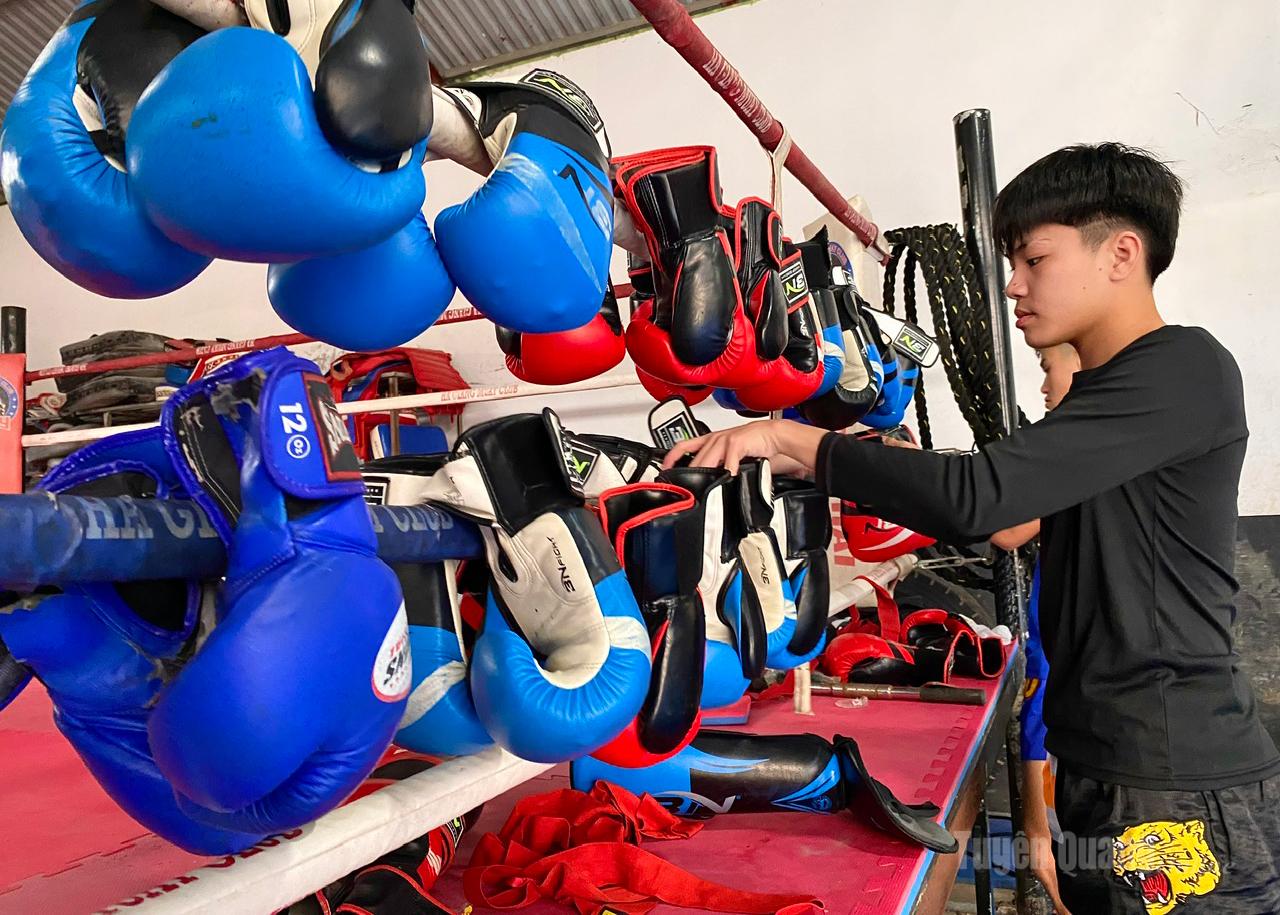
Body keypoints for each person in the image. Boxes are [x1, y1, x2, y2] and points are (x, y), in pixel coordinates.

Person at [664, 143, 1280, 913]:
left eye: (1034, 259)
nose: (1014, 285)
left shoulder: (1182, 366)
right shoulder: (1107, 401)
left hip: (1173, 780)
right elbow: (1013, 518)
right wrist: (865, 462)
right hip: (1116, 768)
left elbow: (981, 499)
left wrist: (791, 438)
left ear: (1121, 254)